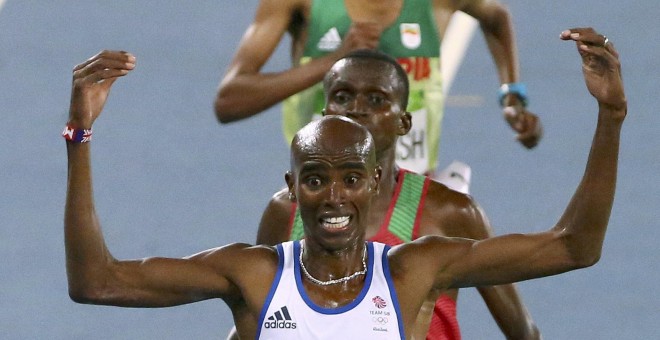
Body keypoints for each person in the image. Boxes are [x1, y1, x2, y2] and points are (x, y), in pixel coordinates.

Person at [64, 27, 625, 339]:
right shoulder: (253, 273)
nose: (334, 196)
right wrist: (79, 138)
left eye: (351, 179)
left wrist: (611, 118)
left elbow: (576, 245)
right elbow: (97, 282)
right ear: (293, 186)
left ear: (373, 179)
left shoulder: (414, 271)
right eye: (315, 180)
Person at [237, 48, 540, 340]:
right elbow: (258, 317)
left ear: (403, 122)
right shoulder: (286, 210)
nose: (356, 108)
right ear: (326, 112)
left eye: (376, 99)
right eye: (342, 97)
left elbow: (522, 331)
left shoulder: (450, 212)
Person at [214, 0, 543, 178]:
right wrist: (334, 60)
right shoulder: (301, 4)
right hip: (322, 201)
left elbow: (496, 16)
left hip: (410, 196)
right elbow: (229, 100)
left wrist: (511, 95)